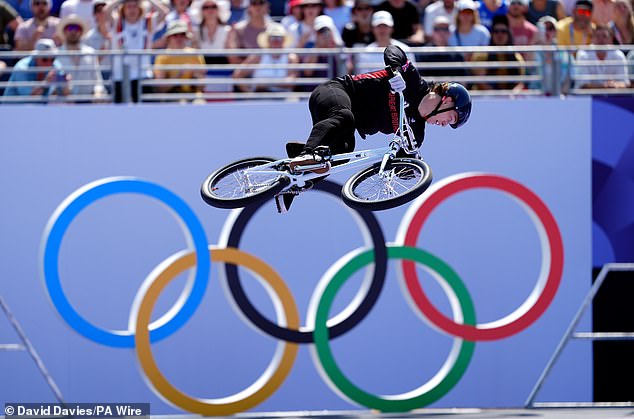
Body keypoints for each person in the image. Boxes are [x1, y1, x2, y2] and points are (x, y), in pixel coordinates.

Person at [274, 44, 472, 213]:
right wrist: (395, 70)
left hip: (344, 124)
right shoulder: (412, 80)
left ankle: (292, 185)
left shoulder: (415, 133)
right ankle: (305, 154)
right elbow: (393, 50)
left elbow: (404, 166)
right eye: (451, 117)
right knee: (344, 117)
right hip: (335, 92)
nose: (446, 124)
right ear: (446, 100)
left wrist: (412, 169)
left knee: (339, 156)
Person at [105, 0, 169, 103]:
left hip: (143, 74)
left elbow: (164, 12)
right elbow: (106, 11)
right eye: (129, 6)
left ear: (140, 8)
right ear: (123, 9)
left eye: (135, 6)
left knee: (148, 110)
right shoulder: (117, 22)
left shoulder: (147, 22)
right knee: (119, 112)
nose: (132, 10)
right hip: (120, 76)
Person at [232, 22, 298, 92]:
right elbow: (237, 75)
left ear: (284, 40)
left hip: (282, 99)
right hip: (260, 97)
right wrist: (249, 93)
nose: (276, 40)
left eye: (279, 37)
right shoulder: (258, 56)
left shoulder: (291, 57)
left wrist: (265, 83)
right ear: (268, 39)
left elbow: (291, 81)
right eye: (272, 37)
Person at [2, 38, 70, 102]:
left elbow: (66, 94)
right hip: (13, 110)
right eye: (44, 59)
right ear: (35, 57)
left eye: (52, 59)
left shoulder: (55, 65)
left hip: (40, 110)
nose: (49, 63)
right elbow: (29, 98)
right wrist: (45, 83)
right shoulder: (21, 68)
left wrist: (65, 84)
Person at [470, 14, 525, 92]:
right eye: (496, 31)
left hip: (509, 97)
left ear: (508, 34)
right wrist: (497, 96)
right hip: (485, 97)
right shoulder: (481, 55)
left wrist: (512, 94)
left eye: (503, 31)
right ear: (492, 34)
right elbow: (480, 82)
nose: (500, 35)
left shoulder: (517, 57)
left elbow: (520, 83)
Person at [56, 14, 105, 100]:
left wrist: (98, 93)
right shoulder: (56, 54)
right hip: (65, 103)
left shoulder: (91, 52)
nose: (73, 31)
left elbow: (98, 80)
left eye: (77, 28)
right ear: (64, 31)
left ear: (81, 32)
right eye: (70, 28)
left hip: (89, 102)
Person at [153, 19, 206, 98]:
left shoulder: (195, 54)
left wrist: (195, 76)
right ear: (169, 37)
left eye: (182, 34)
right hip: (171, 98)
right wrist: (178, 75)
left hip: (193, 97)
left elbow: (202, 86)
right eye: (175, 35)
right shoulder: (162, 57)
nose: (179, 38)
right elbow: (161, 88)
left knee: (200, 103)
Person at [574, 23, 630, 89]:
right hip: (587, 98)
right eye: (597, 36)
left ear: (611, 39)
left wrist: (615, 85)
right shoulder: (583, 55)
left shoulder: (619, 55)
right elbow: (583, 85)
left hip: (613, 97)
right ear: (592, 39)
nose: (600, 40)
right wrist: (605, 86)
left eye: (604, 36)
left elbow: (625, 83)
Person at [195, 0, 233, 94]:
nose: (210, 10)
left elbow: (231, 57)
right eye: (206, 7)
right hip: (204, 75)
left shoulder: (227, 30)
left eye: (213, 6)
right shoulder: (196, 31)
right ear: (201, 11)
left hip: (223, 73)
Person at [83, 0, 112, 80]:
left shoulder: (118, 33)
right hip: (98, 75)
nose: (103, 13)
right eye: (99, 11)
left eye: (106, 10)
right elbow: (88, 63)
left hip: (117, 74)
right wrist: (99, 57)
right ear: (94, 14)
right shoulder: (88, 37)